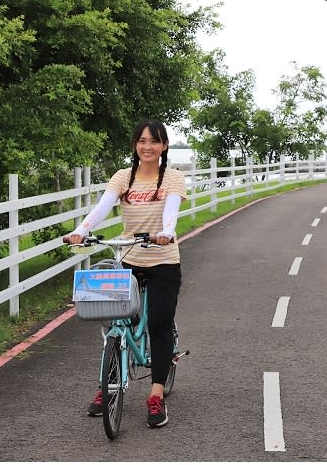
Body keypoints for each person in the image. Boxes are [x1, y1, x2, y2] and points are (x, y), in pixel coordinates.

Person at [64, 119, 187, 429]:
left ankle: (156, 394)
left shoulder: (172, 178)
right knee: (116, 320)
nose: (148, 146)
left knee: (158, 323)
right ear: (135, 145)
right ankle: (108, 385)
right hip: (130, 257)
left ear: (164, 146)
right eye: (142, 141)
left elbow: (170, 212)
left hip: (163, 260)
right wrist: (81, 231)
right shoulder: (123, 177)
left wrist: (166, 232)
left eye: (154, 141)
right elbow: (102, 208)